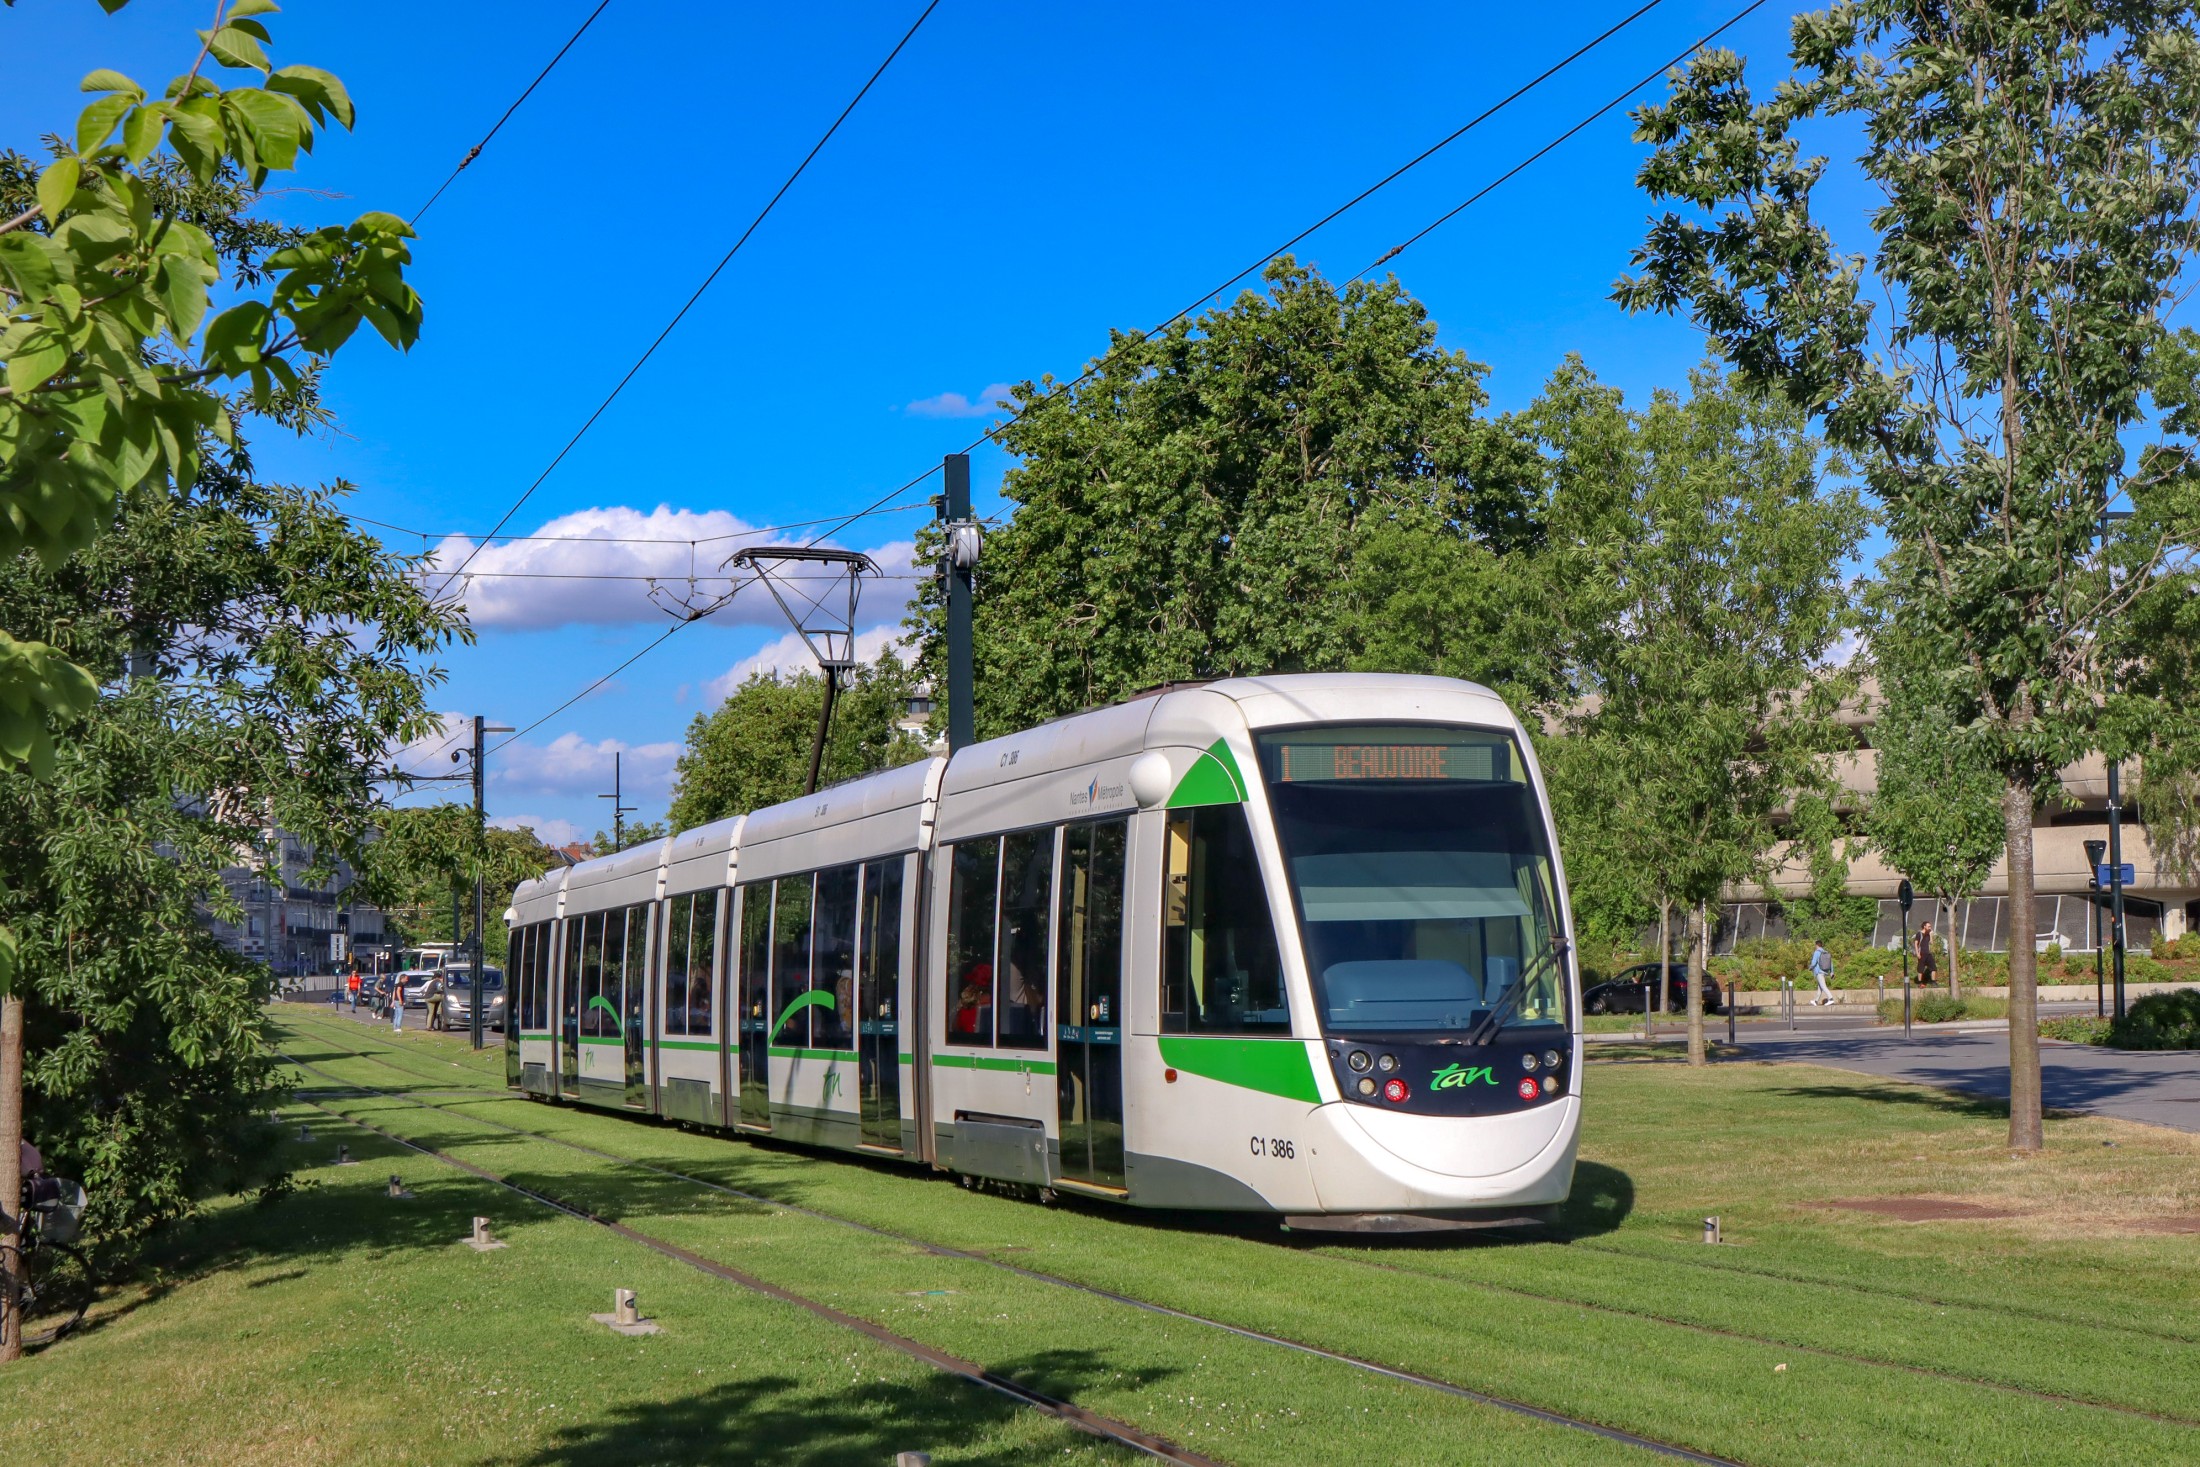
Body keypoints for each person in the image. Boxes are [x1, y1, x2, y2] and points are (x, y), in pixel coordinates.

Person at [1809, 940, 1835, 1006]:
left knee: (1823, 986)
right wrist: (1832, 972)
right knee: (1820, 987)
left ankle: (1831, 999)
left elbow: (1813, 963)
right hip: (1825, 971)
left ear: (1816, 945)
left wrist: (1810, 967)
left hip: (1819, 972)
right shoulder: (1826, 952)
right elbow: (1831, 963)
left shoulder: (1817, 952)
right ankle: (1815, 1001)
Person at [1914, 921, 1938, 988]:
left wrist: (1931, 935)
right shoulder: (1919, 933)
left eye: (1930, 926)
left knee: (1933, 968)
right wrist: (1917, 953)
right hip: (1921, 953)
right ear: (1924, 926)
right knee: (1920, 969)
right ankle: (1920, 983)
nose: (1930, 927)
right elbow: (1916, 944)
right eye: (1929, 926)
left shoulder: (1928, 934)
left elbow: (1931, 943)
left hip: (1928, 954)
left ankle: (1933, 982)